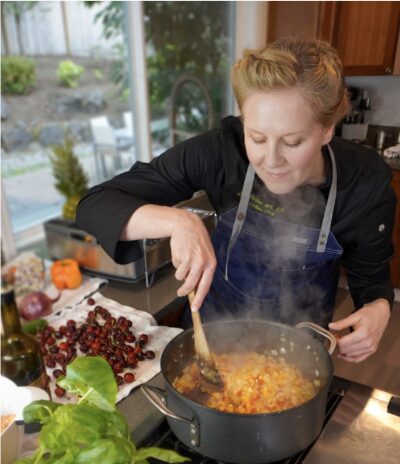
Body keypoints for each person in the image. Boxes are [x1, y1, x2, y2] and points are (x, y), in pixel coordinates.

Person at [77, 37, 396, 363]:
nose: (271, 160)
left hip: (300, 352)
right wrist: (179, 221)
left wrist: (378, 308)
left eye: (292, 141)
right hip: (212, 341)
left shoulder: (364, 182)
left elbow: (372, 279)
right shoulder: (221, 152)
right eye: (256, 137)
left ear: (327, 129)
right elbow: (95, 204)